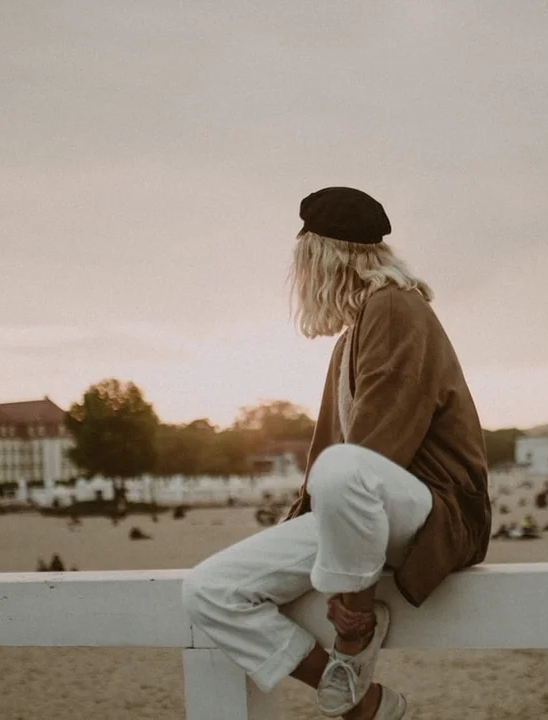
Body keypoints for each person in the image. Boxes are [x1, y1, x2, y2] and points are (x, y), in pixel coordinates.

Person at [181, 187, 489, 720]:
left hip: (433, 512)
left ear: (322, 257)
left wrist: (352, 594)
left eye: (301, 258)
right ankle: (361, 699)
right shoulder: (354, 331)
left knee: (344, 467)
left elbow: (375, 452)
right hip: (363, 510)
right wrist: (302, 530)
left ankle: (358, 628)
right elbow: (340, 465)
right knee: (210, 591)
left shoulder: (396, 308)